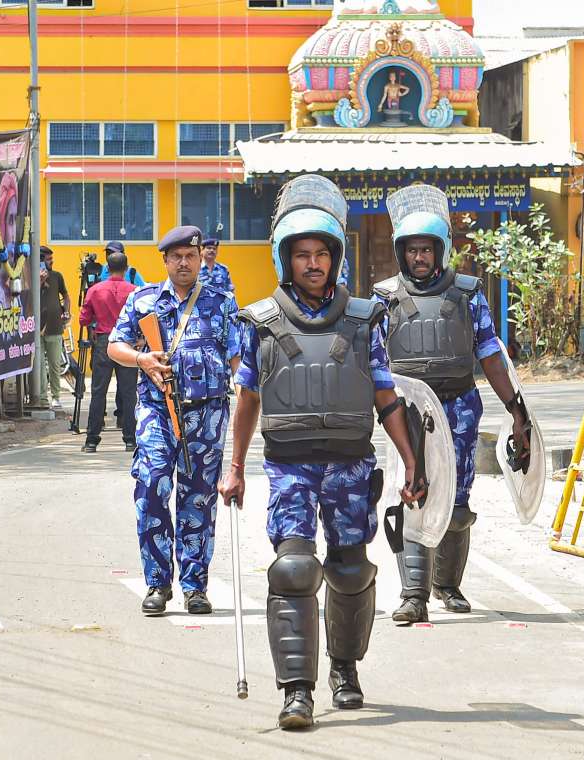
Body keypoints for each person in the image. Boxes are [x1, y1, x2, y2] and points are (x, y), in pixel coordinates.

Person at [219, 174, 425, 731]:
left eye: (322, 255)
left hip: (352, 464)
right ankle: (297, 691)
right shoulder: (259, 323)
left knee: (351, 568)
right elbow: (247, 399)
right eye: (302, 255)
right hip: (289, 464)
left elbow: (386, 395)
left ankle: (345, 668)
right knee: (292, 569)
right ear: (286, 260)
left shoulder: (364, 321)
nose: (313, 264)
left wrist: (411, 460)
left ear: (335, 259)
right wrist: (233, 467)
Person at [372, 183, 528, 624]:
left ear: (440, 251)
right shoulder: (384, 299)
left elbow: (491, 354)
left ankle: (447, 584)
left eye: (427, 250)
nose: (419, 258)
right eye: (411, 250)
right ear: (402, 252)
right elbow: (373, 363)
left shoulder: (468, 293)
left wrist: (515, 409)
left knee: (457, 502)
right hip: (405, 412)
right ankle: (413, 594)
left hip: (458, 405)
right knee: (413, 494)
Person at [108, 225, 241, 617]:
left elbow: (237, 358)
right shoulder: (143, 300)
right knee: (150, 487)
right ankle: (157, 582)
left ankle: (195, 586)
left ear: (202, 258)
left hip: (207, 414)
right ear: (164, 260)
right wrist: (142, 359)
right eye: (176, 256)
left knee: (197, 498)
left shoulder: (222, 302)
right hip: (156, 411)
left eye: (191, 256)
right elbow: (115, 344)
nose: (184, 263)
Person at [79, 249, 139, 453]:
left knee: (98, 392)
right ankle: (131, 439)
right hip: (127, 342)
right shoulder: (134, 290)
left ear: (107, 267)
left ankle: (91, 440)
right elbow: (142, 318)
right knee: (130, 393)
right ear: (126, 268)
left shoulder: (95, 290)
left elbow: (84, 319)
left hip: (104, 341)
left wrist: (96, 325)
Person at [38, 245, 71, 409]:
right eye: (48, 259)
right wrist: (40, 282)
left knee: (54, 365)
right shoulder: (30, 276)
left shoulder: (57, 276)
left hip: (54, 327)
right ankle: (42, 397)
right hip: (35, 329)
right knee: (38, 366)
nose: (52, 262)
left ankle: (56, 396)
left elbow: (65, 295)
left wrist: (66, 310)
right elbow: (26, 296)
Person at [198, 235, 236, 301]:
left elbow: (230, 290)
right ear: (202, 251)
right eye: (209, 248)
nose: (212, 250)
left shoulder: (223, 269)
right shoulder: (196, 268)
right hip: (200, 308)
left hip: (220, 308)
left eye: (214, 249)